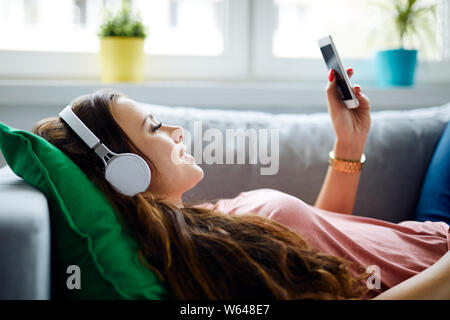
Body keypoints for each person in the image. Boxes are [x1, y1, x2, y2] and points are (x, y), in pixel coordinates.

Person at [32, 68, 449, 300]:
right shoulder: (207, 260)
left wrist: (348, 145)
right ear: (124, 171)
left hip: (428, 230)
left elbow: (327, 249)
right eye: (155, 127)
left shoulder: (201, 227)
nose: (177, 130)